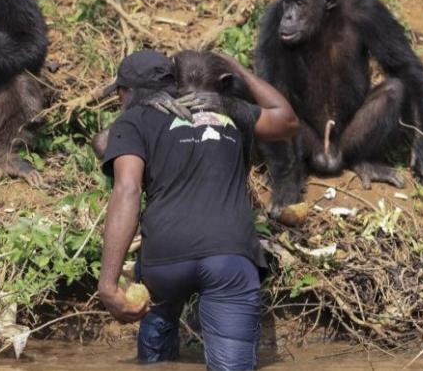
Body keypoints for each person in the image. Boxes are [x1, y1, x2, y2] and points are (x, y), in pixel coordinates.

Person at [97, 49, 298, 370]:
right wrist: (238, 69)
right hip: (228, 256)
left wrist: (107, 284)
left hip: (164, 259)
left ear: (128, 93)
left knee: (155, 356)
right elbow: (287, 120)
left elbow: (127, 186)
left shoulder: (135, 119)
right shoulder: (234, 112)